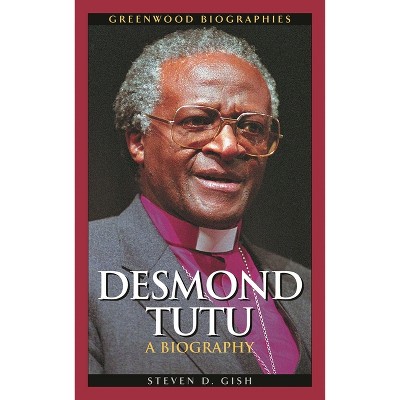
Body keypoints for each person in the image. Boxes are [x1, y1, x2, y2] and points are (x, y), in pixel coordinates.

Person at [89, 27, 311, 376]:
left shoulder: (307, 286)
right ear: (138, 142)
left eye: (252, 127)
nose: (229, 146)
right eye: (197, 121)